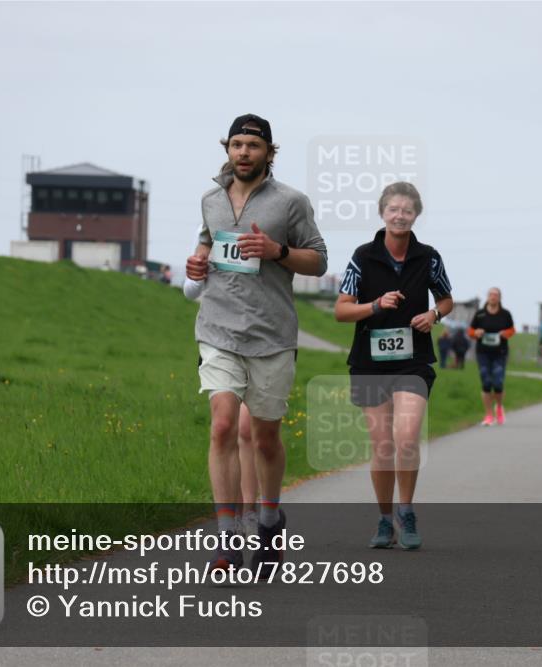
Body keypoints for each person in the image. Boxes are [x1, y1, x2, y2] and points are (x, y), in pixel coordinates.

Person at [186, 113, 328, 574]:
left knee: (265, 438)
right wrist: (197, 264)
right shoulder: (210, 199)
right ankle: (227, 540)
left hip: (271, 335)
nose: (243, 152)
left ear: (269, 152)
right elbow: (207, 245)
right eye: (237, 144)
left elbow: (319, 260)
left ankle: (269, 520)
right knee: (223, 426)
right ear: (227, 148)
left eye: (253, 145)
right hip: (218, 329)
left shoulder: (291, 202)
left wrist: (277, 252)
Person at [334, 182, 453, 550]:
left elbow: (447, 300)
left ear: (416, 214)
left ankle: (406, 510)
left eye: (407, 210)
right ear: (382, 212)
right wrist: (375, 305)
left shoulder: (429, 256)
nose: (400, 215)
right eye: (393, 209)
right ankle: (385, 520)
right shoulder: (363, 256)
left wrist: (433, 314)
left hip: (413, 362)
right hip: (370, 362)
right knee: (383, 446)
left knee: (406, 437)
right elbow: (341, 310)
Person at [183, 243, 258, 535]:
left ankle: (253, 512)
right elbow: (190, 290)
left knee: (251, 431)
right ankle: (233, 522)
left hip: (265, 340)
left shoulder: (274, 218)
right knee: (228, 427)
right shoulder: (213, 226)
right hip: (220, 341)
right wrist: (196, 273)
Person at [468, 287, 515, 425]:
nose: (493, 297)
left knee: (498, 382)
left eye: (496, 295)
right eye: (491, 295)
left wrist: (504, 334)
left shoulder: (505, 314)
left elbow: (512, 330)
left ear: (500, 298)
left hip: (500, 353)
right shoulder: (480, 314)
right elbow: (470, 331)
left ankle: (499, 407)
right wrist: (476, 333)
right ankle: (488, 415)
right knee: (486, 382)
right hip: (483, 352)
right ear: (487, 297)